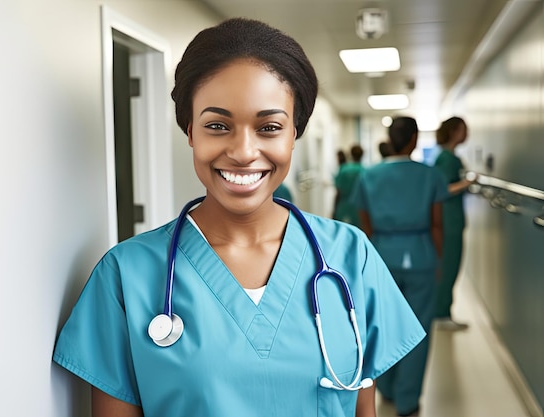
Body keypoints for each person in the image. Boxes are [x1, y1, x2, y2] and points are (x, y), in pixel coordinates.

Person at [52, 18, 425, 417]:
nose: (244, 151)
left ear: (293, 133)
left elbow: (361, 406)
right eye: (217, 125)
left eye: (268, 127)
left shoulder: (351, 255)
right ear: (190, 130)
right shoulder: (127, 275)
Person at [351, 116, 449, 417]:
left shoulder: (369, 175)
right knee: (417, 329)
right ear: (414, 140)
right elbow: (436, 224)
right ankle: (408, 401)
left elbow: (364, 226)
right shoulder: (430, 176)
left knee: (383, 325)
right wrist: (437, 260)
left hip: (381, 256)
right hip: (420, 255)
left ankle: (387, 389)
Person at [433, 116, 476, 331]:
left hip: (453, 220)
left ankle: (443, 311)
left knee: (451, 265)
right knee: (448, 267)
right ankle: (441, 313)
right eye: (464, 129)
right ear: (454, 132)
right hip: (448, 222)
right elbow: (443, 189)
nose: (467, 134)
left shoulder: (449, 157)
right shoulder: (446, 159)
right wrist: (467, 183)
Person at [333, 144, 364, 226]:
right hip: (360, 211)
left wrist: (334, 211)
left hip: (344, 208)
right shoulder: (365, 172)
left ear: (351, 154)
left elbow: (338, 192)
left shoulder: (344, 170)